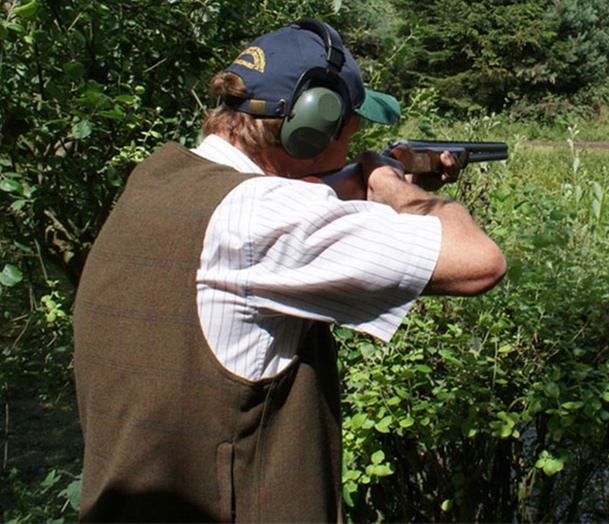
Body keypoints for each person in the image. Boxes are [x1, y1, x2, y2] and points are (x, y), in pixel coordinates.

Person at [72, 18, 505, 522]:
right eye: (352, 129)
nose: (356, 140)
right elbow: (480, 262)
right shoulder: (259, 217)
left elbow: (296, 198)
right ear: (310, 128)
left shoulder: (155, 180)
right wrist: (388, 181)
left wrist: (367, 179)